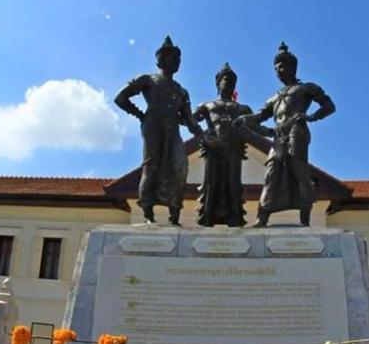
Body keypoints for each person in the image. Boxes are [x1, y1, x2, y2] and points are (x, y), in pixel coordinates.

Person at [237, 43, 335, 227]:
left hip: (296, 130)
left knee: (299, 170)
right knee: (272, 170)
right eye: (275, 69)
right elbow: (258, 117)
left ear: (291, 67)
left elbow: (329, 106)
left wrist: (311, 116)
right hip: (278, 134)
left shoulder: (306, 88)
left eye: (281, 67)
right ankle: (263, 216)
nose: (278, 72)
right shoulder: (275, 97)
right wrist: (243, 119)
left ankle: (304, 218)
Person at [114, 36, 204, 225]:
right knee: (151, 165)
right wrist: (140, 115)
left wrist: (203, 134)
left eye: (179, 59)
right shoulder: (148, 80)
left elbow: (189, 120)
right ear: (162, 59)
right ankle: (148, 212)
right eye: (173, 58)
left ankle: (174, 214)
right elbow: (121, 98)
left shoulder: (181, 91)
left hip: (173, 128)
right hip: (153, 125)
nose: (177, 62)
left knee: (179, 167)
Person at [194, 63, 258, 227]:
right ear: (218, 83)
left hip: (234, 150)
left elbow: (256, 126)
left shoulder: (243, 109)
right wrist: (205, 136)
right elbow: (190, 120)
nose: (228, 83)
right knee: (211, 184)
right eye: (225, 79)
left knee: (233, 185)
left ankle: (235, 219)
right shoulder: (207, 106)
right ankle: (207, 219)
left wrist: (274, 132)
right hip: (213, 149)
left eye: (231, 80)